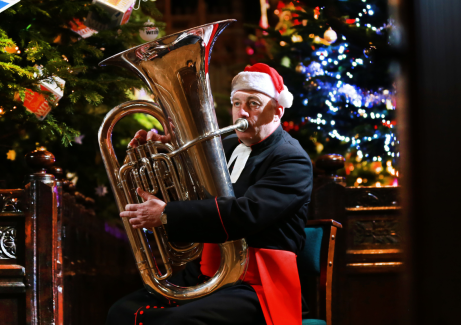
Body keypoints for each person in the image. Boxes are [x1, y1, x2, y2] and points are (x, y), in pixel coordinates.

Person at [106, 63, 313, 325]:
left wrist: (167, 214)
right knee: (122, 311)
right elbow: (192, 195)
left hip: (258, 281)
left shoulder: (292, 159)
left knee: (178, 322)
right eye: (237, 103)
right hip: (209, 271)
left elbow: (245, 214)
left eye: (253, 104)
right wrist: (159, 155)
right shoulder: (226, 145)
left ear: (278, 111)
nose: (242, 112)